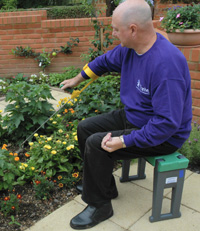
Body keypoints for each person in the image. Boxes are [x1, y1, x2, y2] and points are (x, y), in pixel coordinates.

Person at [60, 0, 192, 229]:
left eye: (115, 29)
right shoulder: (130, 50)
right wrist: (77, 79)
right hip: (135, 117)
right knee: (85, 128)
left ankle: (99, 205)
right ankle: (104, 187)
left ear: (132, 29)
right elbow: (103, 62)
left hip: (164, 136)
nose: (112, 34)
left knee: (97, 143)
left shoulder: (166, 65)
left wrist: (124, 140)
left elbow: (166, 125)